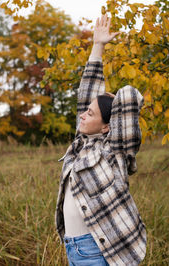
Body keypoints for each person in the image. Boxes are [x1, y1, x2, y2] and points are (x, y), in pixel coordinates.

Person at [55, 14, 147, 265]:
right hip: (73, 248)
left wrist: (114, 101)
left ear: (108, 125)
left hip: (98, 250)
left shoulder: (114, 150)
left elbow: (129, 97)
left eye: (91, 113)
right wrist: (98, 45)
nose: (83, 114)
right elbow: (87, 89)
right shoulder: (81, 143)